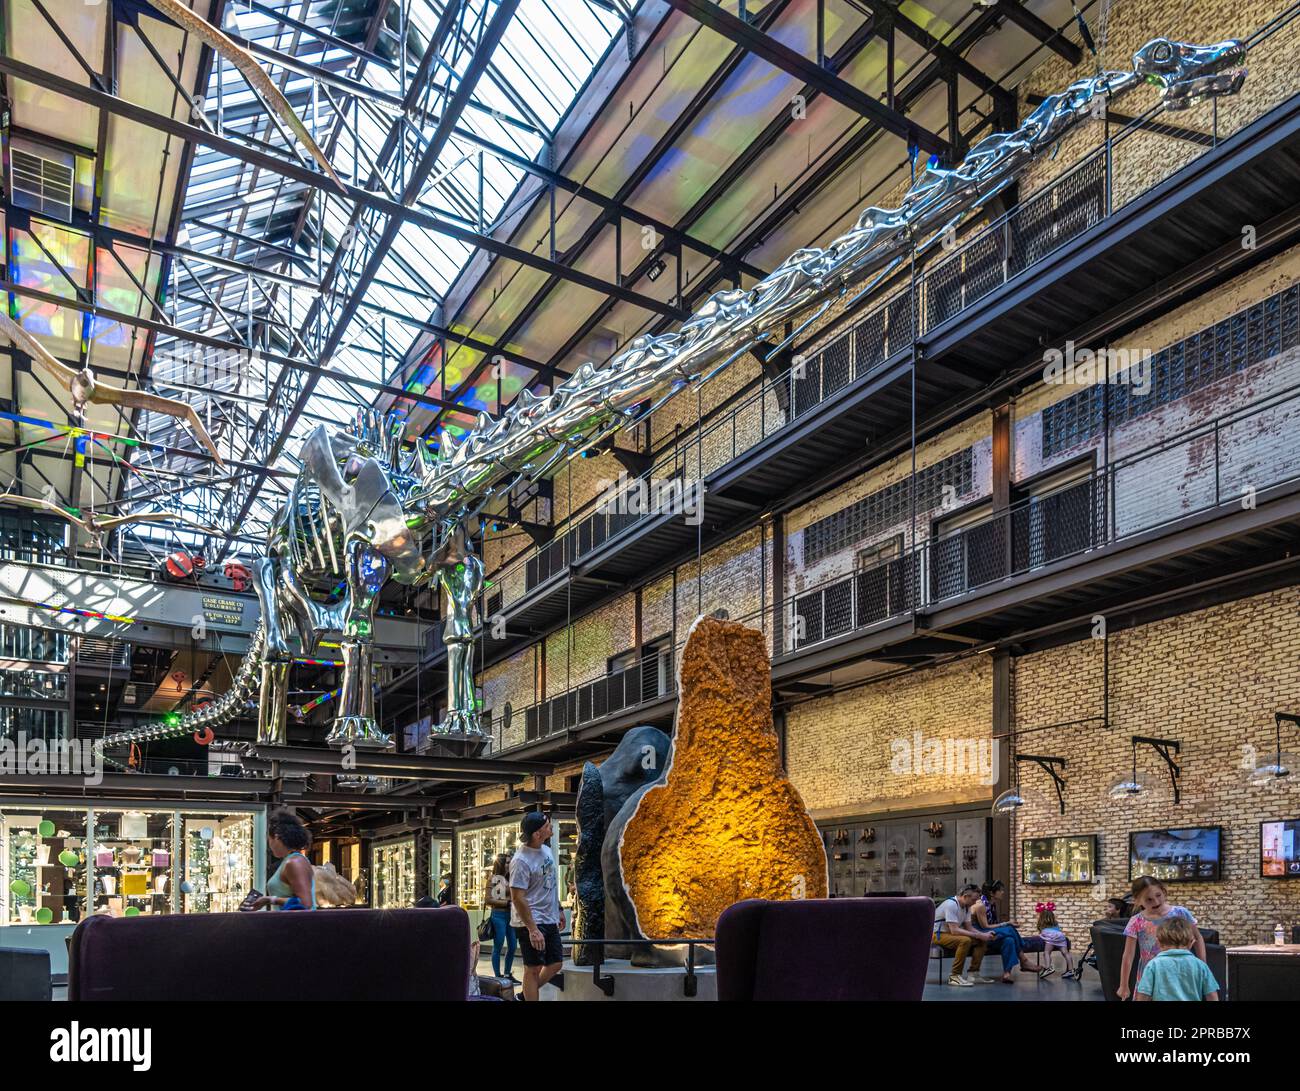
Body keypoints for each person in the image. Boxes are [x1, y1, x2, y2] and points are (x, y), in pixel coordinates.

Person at [1117, 876, 1206, 1000]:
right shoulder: (1136, 921)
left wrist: (1203, 966)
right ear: (1138, 901)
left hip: (1181, 972)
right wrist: (1124, 985)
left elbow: (1198, 938)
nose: (1156, 902)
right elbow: (1128, 955)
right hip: (1151, 974)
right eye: (1149, 900)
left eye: (1158, 895)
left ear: (1163, 891)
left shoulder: (1181, 913)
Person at [510, 812, 565, 1001]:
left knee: (555, 963)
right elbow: (517, 898)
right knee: (532, 969)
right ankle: (529, 994)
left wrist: (558, 909)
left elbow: (550, 882)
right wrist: (532, 929)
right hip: (530, 921)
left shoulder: (546, 850)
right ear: (537, 834)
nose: (551, 828)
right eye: (548, 826)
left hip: (549, 917)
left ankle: (525, 995)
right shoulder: (520, 861)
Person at [1134, 916, 1219, 1001]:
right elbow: (1212, 996)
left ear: (1158, 942)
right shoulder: (1200, 966)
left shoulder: (1153, 965)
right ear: (1191, 942)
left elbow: (1143, 996)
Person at [250, 811, 316, 910]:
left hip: (295, 924)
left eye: (269, 840)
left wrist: (270, 900)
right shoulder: (291, 860)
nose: (269, 845)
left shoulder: (295, 862)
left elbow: (305, 903)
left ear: (276, 837)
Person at [971, 880, 1034, 982]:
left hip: (990, 933)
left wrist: (1004, 925)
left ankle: (1007, 974)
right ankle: (1024, 960)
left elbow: (992, 925)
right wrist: (1005, 923)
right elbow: (985, 927)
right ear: (992, 893)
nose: (1003, 892)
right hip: (980, 934)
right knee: (1009, 928)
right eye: (1000, 890)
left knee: (1009, 940)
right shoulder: (980, 905)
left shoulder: (991, 904)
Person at [934, 884, 996, 986]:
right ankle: (954, 976)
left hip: (950, 934)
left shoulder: (967, 907)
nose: (975, 902)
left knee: (982, 940)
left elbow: (969, 928)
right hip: (938, 934)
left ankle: (973, 974)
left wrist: (983, 935)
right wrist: (978, 935)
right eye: (973, 899)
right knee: (965, 940)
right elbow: (954, 930)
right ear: (965, 896)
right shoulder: (951, 904)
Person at [484, 853, 517, 981]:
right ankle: (497, 976)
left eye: (510, 862)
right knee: (498, 945)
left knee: (513, 945)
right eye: (507, 862)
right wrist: (507, 902)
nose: (509, 865)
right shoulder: (493, 878)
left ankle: (507, 974)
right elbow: (488, 899)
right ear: (501, 864)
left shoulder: (512, 877)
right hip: (498, 915)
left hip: (511, 915)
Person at [1035, 901, 1073, 978]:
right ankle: (1071, 970)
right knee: (1065, 953)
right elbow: (1058, 930)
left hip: (1051, 938)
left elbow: (1040, 931)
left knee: (1047, 952)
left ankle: (1048, 968)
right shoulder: (1055, 922)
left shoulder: (1042, 923)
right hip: (1061, 936)